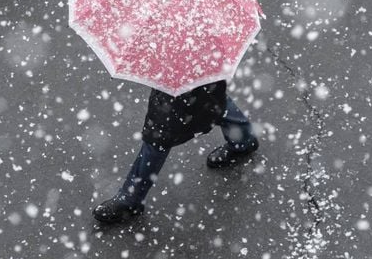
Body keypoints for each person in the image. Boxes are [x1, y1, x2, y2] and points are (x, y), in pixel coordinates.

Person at [92, 80, 259, 224]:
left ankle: (131, 199)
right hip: (197, 61)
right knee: (210, 98)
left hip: (177, 73)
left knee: (159, 134)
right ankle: (243, 140)